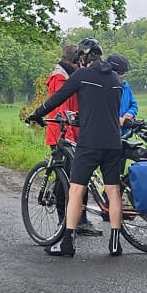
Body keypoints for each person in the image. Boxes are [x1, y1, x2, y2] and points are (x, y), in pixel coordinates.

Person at [26, 38, 128, 257]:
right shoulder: (115, 79)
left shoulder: (82, 75)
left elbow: (57, 99)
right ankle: (115, 244)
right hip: (113, 142)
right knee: (113, 191)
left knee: (76, 190)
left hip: (89, 143)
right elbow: (105, 108)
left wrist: (36, 114)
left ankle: (67, 244)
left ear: (84, 57)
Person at [42, 40, 98, 235]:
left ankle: (80, 220)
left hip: (75, 133)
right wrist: (74, 136)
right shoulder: (60, 78)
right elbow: (63, 111)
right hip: (61, 134)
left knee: (80, 177)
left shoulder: (73, 76)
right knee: (64, 180)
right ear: (74, 61)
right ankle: (63, 222)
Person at [109, 54, 139, 127]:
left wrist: (130, 113)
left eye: (123, 73)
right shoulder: (103, 89)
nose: (121, 76)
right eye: (119, 73)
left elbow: (134, 105)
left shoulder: (126, 86)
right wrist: (116, 120)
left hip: (125, 131)